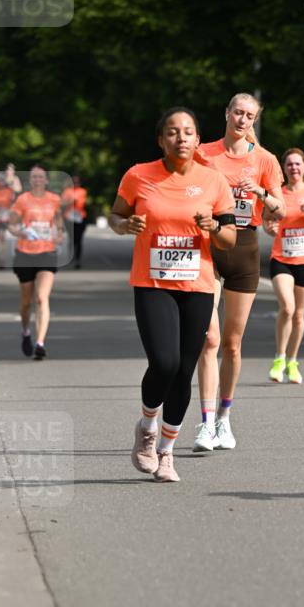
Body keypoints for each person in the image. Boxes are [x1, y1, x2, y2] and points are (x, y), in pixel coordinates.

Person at [109, 107, 236, 483]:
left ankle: (166, 453)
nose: (180, 138)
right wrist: (125, 224)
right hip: (153, 283)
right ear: (160, 140)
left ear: (198, 140)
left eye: (188, 132)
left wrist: (214, 226)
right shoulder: (138, 175)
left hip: (197, 285)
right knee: (163, 363)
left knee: (184, 371)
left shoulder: (214, 182)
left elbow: (229, 240)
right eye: (172, 132)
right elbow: (116, 216)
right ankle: (147, 427)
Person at [192, 92, 284, 453]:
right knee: (209, 339)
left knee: (231, 343)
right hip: (210, 247)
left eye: (250, 115)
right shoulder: (206, 154)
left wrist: (259, 191)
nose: (243, 120)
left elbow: (281, 207)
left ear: (254, 120)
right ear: (226, 114)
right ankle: (204, 423)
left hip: (245, 250)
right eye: (238, 113)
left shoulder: (265, 160)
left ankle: (224, 420)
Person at [262, 148, 304, 384]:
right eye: (289, 164)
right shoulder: (278, 195)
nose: (294, 168)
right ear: (284, 168)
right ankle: (279, 358)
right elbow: (267, 222)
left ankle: (293, 361)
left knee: (300, 315)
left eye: (297, 164)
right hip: (281, 259)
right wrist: (270, 229)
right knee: (288, 308)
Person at [8, 166, 64, 360]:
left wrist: (59, 235)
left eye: (41, 177)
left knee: (41, 298)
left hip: (47, 252)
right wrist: (20, 232)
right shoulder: (22, 200)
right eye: (34, 177)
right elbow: (11, 224)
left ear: (46, 180)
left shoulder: (54, 200)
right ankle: (26, 332)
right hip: (24, 253)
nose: (37, 180)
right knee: (26, 302)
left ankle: (40, 343)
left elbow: (58, 225)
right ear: (30, 180)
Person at [61, 175, 88, 268]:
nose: (75, 184)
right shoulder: (67, 191)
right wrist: (70, 202)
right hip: (69, 217)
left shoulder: (82, 191)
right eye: (74, 182)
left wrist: (73, 201)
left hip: (80, 217)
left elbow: (82, 203)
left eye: (77, 182)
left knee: (79, 239)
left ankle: (78, 259)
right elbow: (62, 203)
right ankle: (71, 256)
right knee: (71, 238)